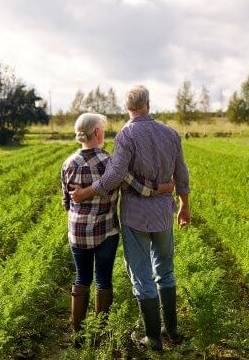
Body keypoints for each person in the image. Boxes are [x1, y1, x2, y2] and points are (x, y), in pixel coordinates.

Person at [70, 86, 191, 351]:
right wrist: (184, 206)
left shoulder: (126, 135)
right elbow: (181, 174)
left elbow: (114, 177)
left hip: (136, 216)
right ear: (148, 104)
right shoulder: (171, 134)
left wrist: (85, 193)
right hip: (162, 214)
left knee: (142, 275)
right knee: (166, 271)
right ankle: (171, 329)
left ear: (127, 107)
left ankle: (154, 338)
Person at [61, 112, 174, 340]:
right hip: (106, 231)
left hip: (78, 232)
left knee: (81, 278)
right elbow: (137, 185)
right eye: (102, 129)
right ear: (97, 133)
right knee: (103, 279)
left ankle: (78, 333)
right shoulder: (110, 162)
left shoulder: (68, 163)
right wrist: (162, 188)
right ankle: (99, 332)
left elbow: (66, 202)